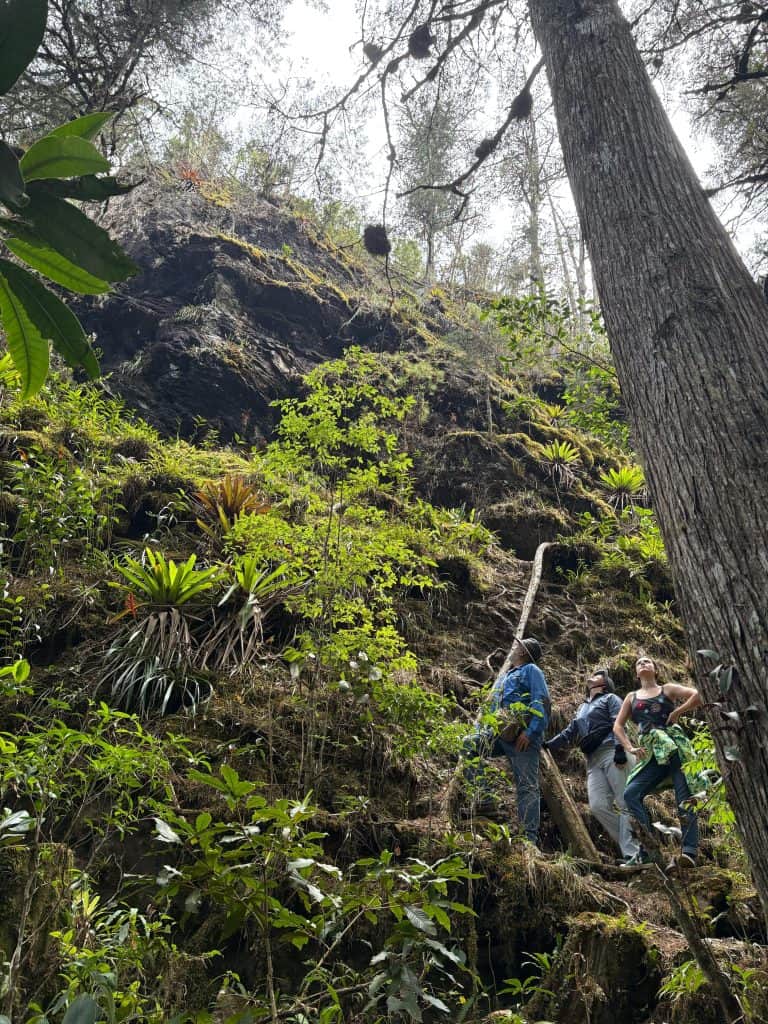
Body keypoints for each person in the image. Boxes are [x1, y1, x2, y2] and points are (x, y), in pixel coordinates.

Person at [613, 655, 703, 870]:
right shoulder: (631, 697)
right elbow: (617, 726)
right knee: (631, 794)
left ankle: (689, 852)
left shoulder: (668, 689)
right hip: (653, 754)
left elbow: (698, 695)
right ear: (636, 673)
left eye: (648, 661)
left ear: (655, 668)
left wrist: (678, 712)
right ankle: (649, 850)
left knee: (685, 798)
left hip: (675, 750)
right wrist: (630, 747)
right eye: (639, 663)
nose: (643, 664)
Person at [544, 669, 640, 863]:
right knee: (597, 806)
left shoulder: (611, 698)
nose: (592, 676)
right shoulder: (583, 707)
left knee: (624, 802)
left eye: (597, 675)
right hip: (592, 759)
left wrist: (620, 749)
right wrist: (548, 744)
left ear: (604, 684)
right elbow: (570, 732)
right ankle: (635, 847)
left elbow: (618, 723)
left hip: (613, 751)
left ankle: (633, 853)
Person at [461, 637, 549, 844]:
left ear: (524, 652)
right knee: (469, 744)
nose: (514, 648)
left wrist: (530, 732)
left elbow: (542, 701)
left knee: (527, 785)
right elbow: (494, 708)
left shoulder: (532, 671)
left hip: (522, 737)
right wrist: (484, 729)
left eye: (518, 646)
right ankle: (485, 800)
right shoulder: (506, 676)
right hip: (499, 734)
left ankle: (529, 838)